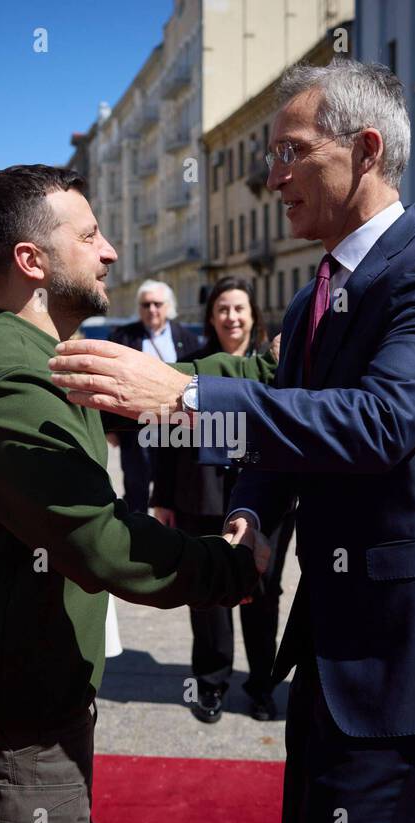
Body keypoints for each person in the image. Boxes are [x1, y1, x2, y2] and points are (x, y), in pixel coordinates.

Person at [49, 60, 415, 823]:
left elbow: (379, 423)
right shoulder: (315, 294)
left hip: (411, 656)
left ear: (365, 148)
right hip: (336, 642)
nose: (272, 177)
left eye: (290, 152)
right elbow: (296, 427)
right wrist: (254, 510)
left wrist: (185, 395)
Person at [0, 164, 268, 823]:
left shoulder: (40, 350)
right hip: (17, 732)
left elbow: (160, 384)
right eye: (90, 234)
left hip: (33, 707)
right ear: (31, 260)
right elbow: (105, 546)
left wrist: (266, 373)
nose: (109, 250)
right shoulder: (10, 377)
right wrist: (233, 565)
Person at [150, 276, 295, 723]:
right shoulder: (191, 365)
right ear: (212, 317)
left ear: (253, 315)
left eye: (239, 308)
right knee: (208, 591)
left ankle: (261, 686)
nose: (232, 317)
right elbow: (163, 440)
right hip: (202, 496)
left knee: (264, 592)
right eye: (223, 309)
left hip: (268, 497)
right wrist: (164, 497)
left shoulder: (278, 364)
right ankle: (211, 683)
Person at [107, 281, 199, 514]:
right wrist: (111, 428)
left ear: (169, 306)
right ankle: (136, 539)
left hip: (176, 427)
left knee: (173, 487)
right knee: (136, 487)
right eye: (146, 304)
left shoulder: (186, 338)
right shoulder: (123, 337)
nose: (152, 310)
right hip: (136, 428)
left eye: (157, 304)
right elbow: (110, 381)